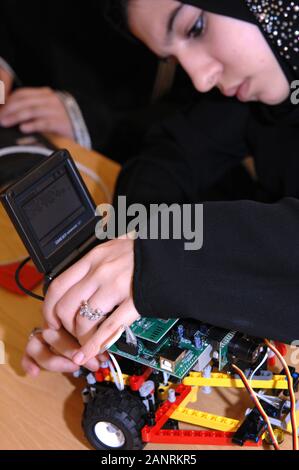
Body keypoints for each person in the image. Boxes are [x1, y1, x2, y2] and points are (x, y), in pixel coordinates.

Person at [22, 0, 299, 377]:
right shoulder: (272, 87)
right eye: (174, 58)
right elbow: (170, 155)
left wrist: (162, 259)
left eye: (195, 27)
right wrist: (123, 279)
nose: (201, 78)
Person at [0, 0, 190, 163]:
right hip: (22, 105)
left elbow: (191, 116)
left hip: (110, 141)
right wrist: (3, 61)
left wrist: (94, 123)